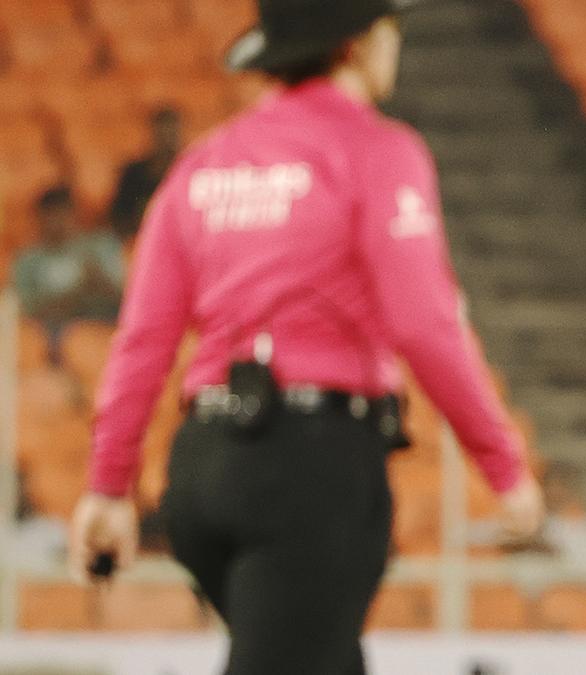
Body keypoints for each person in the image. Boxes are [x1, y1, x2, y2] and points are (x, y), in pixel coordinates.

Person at [67, 1, 545, 673]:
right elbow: (424, 323)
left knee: (316, 655)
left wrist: (109, 486)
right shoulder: (379, 150)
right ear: (358, 44)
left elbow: (143, 339)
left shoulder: (203, 165)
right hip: (311, 469)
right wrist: (504, 465)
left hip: (202, 470)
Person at [13, 184, 124, 354]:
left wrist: (97, 278)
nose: (56, 222)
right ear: (39, 218)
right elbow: (28, 311)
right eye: (50, 215)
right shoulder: (28, 260)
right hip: (53, 336)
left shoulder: (100, 246)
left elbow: (122, 297)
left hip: (101, 324)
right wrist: (73, 296)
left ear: (74, 213)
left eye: (62, 214)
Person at [109, 107, 183, 241]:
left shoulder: (187, 173)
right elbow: (118, 218)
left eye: (171, 134)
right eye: (162, 134)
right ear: (153, 135)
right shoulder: (134, 174)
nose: (167, 142)